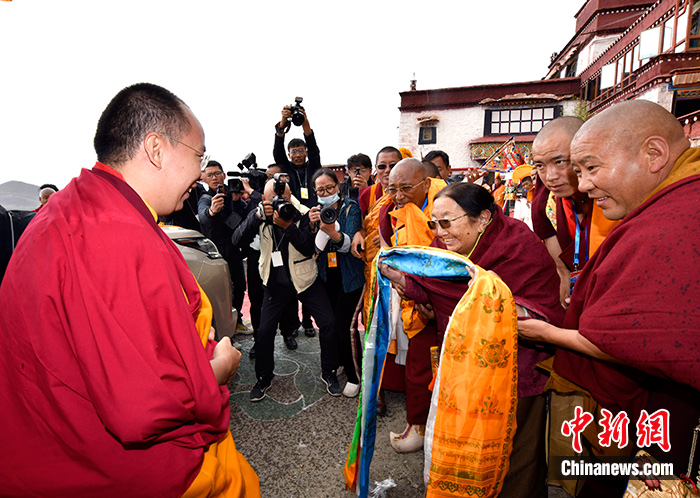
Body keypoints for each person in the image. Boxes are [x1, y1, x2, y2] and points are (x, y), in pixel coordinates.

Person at [0, 83, 259, 497]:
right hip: (108, 469)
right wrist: (217, 371)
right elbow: (141, 408)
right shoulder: (112, 236)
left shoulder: (75, 209)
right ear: (156, 149)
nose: (200, 172)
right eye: (199, 155)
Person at [519, 100, 700, 494]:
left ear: (654, 154)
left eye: (591, 168)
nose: (580, 184)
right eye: (578, 171)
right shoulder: (669, 200)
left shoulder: (670, 226)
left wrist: (544, 334)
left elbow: (632, 342)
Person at [380, 182, 564, 496]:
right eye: (434, 224)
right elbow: (435, 284)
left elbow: (529, 308)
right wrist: (403, 280)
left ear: (482, 218)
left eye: (447, 222)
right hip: (465, 366)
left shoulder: (518, 245)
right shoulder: (447, 245)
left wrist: (479, 303)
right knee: (471, 447)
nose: (440, 232)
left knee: (516, 454)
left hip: (517, 369)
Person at [233, 177, 340, 402]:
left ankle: (329, 372)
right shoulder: (259, 214)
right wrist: (256, 216)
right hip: (275, 284)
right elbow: (236, 240)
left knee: (328, 322)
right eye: (275, 199)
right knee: (263, 332)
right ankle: (263, 378)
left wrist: (288, 226)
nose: (282, 202)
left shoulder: (303, 213)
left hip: (306, 279)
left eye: (286, 197)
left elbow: (309, 249)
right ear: (264, 199)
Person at [376, 158, 447, 452]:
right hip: (412, 297)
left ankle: (445, 429)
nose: (398, 196)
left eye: (406, 188)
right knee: (419, 365)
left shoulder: (448, 206)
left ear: (426, 183)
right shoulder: (389, 212)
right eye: (392, 189)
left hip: (449, 295)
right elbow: (387, 254)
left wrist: (435, 295)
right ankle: (418, 425)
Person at [531, 116, 619, 308]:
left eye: (560, 162)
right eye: (540, 165)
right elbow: (561, 268)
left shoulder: (618, 195)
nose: (550, 177)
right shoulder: (546, 202)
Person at [309, 169, 365, 397]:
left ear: (338, 186)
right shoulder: (316, 211)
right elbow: (310, 247)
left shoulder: (350, 208)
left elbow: (349, 245)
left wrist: (332, 232)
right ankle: (342, 360)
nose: (325, 193)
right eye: (320, 190)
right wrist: (313, 225)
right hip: (326, 277)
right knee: (332, 325)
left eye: (329, 188)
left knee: (346, 327)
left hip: (350, 278)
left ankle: (355, 375)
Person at [199, 160, 253, 334]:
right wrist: (212, 211)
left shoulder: (232, 194)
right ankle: (221, 329)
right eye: (210, 175)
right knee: (220, 291)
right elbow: (203, 217)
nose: (214, 178)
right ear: (205, 179)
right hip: (215, 251)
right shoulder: (206, 198)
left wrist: (236, 201)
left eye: (217, 173)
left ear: (224, 175)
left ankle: (236, 322)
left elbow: (246, 217)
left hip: (234, 249)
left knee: (239, 286)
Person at [272, 105, 321, 208]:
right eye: (294, 152)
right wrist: (282, 123)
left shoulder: (313, 166)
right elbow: (278, 152)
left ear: (306, 153)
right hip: (292, 212)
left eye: (301, 151)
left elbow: (313, 147)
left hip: (314, 210)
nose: (298, 155)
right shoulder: (286, 168)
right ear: (289, 155)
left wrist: (304, 122)